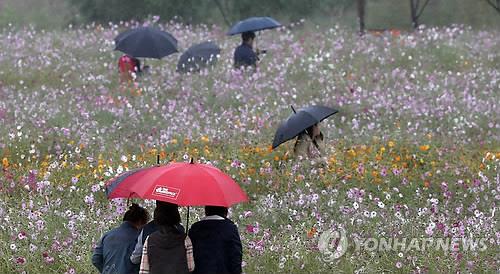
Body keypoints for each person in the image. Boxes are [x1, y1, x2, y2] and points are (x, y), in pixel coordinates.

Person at [92, 203, 150, 274]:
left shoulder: (107, 235)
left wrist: (107, 270)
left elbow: (96, 259)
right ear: (140, 221)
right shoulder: (139, 238)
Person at [139, 202, 194, 274]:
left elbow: (144, 270)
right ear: (176, 215)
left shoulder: (150, 239)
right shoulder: (185, 239)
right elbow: (190, 267)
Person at [188, 206, 242, 274]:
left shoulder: (195, 228)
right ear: (225, 210)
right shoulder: (230, 228)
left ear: (206, 210)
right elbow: (236, 257)